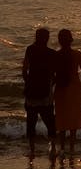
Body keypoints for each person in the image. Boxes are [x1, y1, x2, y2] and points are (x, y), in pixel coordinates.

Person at [22, 28, 57, 159]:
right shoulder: (51, 53)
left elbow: (25, 69)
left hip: (31, 90)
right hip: (45, 91)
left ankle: (32, 150)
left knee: (31, 121)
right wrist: (50, 85)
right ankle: (53, 147)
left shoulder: (30, 49)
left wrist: (28, 82)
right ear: (47, 38)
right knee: (50, 120)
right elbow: (55, 74)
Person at [54, 29, 81, 156]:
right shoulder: (78, 54)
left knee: (62, 118)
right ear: (71, 40)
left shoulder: (56, 55)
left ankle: (62, 148)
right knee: (74, 118)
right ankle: (72, 147)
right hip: (74, 87)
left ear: (59, 40)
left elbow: (53, 75)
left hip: (61, 88)